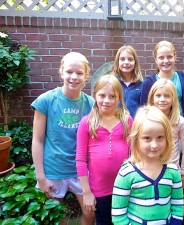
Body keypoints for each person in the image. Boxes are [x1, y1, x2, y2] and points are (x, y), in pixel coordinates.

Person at [31, 52, 95, 225]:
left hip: (80, 171)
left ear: (86, 75)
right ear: (61, 72)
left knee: (90, 215)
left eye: (79, 73)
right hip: (53, 170)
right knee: (57, 218)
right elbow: (37, 140)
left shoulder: (92, 104)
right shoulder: (46, 101)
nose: (74, 77)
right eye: (69, 72)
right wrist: (41, 177)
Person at [111, 105, 184, 225]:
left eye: (160, 137)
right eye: (147, 138)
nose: (154, 145)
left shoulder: (173, 171)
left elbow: (177, 206)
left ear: (167, 138)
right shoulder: (126, 174)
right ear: (136, 139)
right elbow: (118, 215)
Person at [76, 74, 132, 225]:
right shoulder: (87, 122)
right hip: (99, 190)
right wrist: (87, 193)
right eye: (102, 95)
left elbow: (134, 154)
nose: (106, 100)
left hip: (125, 187)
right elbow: (80, 161)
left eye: (112, 96)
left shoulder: (126, 120)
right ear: (95, 95)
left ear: (119, 98)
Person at [140, 40, 184, 139]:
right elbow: (144, 111)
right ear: (156, 60)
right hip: (156, 133)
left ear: (175, 57)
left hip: (178, 133)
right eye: (161, 58)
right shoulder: (148, 83)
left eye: (169, 57)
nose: (166, 61)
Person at [147, 78, 184, 189]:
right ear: (152, 98)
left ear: (173, 99)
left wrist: (183, 174)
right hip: (150, 170)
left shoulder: (180, 122)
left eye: (167, 96)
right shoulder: (146, 120)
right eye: (158, 96)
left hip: (172, 172)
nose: (162, 99)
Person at [111, 45, 143, 117]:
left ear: (135, 63)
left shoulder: (141, 85)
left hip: (135, 126)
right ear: (117, 62)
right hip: (115, 125)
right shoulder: (112, 83)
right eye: (122, 59)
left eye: (130, 59)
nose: (126, 62)